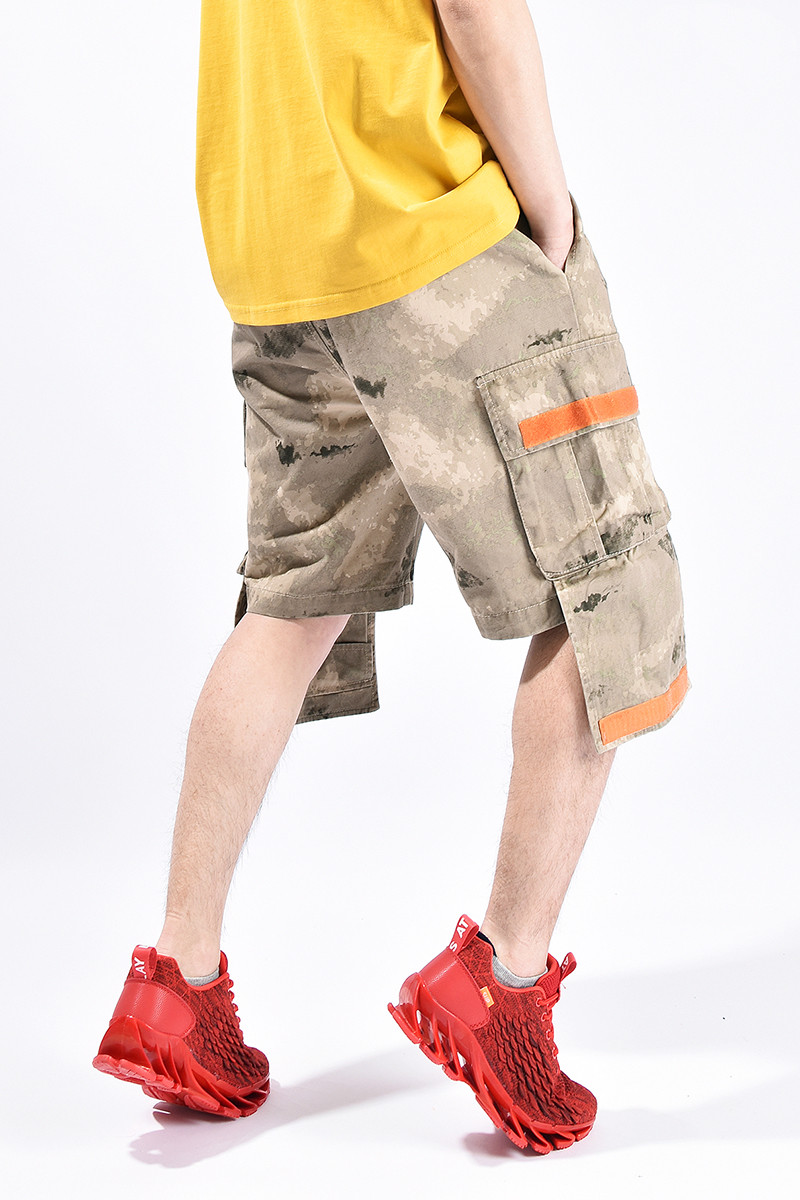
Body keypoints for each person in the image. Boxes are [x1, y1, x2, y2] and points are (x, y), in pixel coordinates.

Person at [92, 0, 689, 1153]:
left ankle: (175, 979)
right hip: (433, 237)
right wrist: (551, 217)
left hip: (277, 256)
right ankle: (501, 991)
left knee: (290, 601)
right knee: (608, 593)